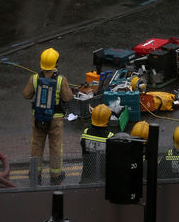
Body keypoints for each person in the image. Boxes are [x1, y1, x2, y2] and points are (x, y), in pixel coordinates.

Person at [22, 47, 73, 185]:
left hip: (38, 118)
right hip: (55, 120)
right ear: (56, 63)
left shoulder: (34, 78)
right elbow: (68, 97)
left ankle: (35, 174)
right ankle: (55, 175)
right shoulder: (61, 80)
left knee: (37, 145)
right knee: (55, 146)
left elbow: (26, 94)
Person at [80, 103, 113, 183]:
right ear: (108, 119)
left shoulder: (86, 132)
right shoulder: (110, 136)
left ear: (92, 117)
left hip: (87, 176)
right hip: (103, 178)